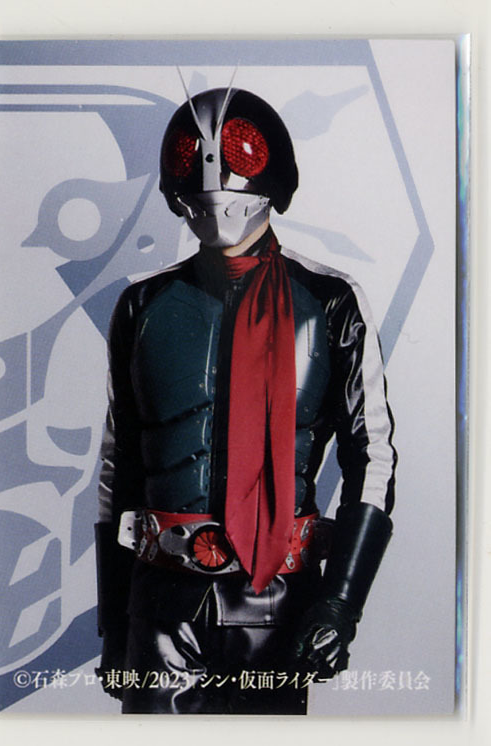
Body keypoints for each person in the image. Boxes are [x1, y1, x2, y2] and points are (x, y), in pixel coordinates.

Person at [94, 86, 396, 714]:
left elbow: (373, 457)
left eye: (237, 153)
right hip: (160, 601)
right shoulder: (142, 305)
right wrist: (115, 625)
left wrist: (341, 601)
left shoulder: (331, 301)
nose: (214, 176)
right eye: (194, 156)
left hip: (278, 600)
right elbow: (120, 466)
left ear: (272, 170)